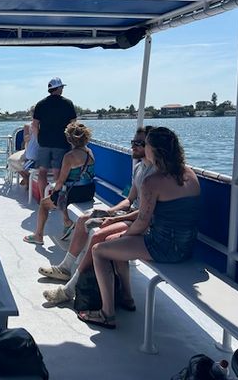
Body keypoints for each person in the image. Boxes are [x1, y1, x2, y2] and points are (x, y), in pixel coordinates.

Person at [78, 127, 200, 329]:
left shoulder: (152, 182)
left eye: (148, 146)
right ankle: (126, 297)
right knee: (111, 243)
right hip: (187, 246)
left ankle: (106, 314)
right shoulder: (190, 174)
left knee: (99, 251)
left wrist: (123, 236)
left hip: (164, 246)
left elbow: (142, 222)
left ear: (155, 151)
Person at [40, 126, 155, 307]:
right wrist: (109, 211)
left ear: (151, 146)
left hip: (142, 220)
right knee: (85, 218)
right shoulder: (140, 167)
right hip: (130, 213)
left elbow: (146, 213)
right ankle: (65, 267)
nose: (133, 146)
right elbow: (130, 199)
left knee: (99, 235)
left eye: (139, 143)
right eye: (133, 142)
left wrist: (114, 218)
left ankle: (69, 289)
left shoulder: (155, 174)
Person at [23, 122, 95, 245]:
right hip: (88, 191)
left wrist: (53, 191)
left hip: (74, 193)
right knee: (59, 196)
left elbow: (60, 182)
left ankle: (38, 235)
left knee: (45, 202)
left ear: (68, 139)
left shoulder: (69, 156)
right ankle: (67, 221)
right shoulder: (89, 152)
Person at [33, 77, 77, 200]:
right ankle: (55, 199)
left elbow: (35, 125)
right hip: (61, 143)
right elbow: (73, 124)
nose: (62, 89)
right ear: (58, 88)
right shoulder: (67, 103)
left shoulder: (40, 104)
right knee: (57, 172)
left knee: (42, 171)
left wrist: (38, 140)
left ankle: (43, 199)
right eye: (62, 87)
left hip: (44, 143)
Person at [7, 106, 39, 187]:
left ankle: (26, 178)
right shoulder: (30, 126)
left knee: (11, 161)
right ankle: (26, 178)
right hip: (31, 150)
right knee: (17, 160)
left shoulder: (28, 126)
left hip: (30, 152)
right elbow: (26, 139)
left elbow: (26, 139)